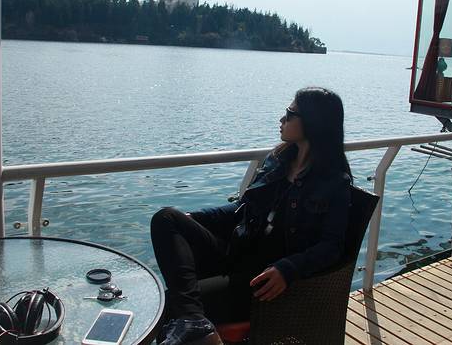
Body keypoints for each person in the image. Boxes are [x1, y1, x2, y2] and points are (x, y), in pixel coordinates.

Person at [150, 87, 352, 345]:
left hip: (264, 281)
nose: (282, 119)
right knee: (166, 219)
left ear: (313, 122)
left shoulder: (334, 183)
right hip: (237, 253)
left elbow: (332, 247)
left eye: (290, 114)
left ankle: (193, 321)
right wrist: (195, 218)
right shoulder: (278, 160)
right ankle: (195, 322)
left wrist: (288, 269)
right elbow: (242, 209)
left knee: (170, 304)